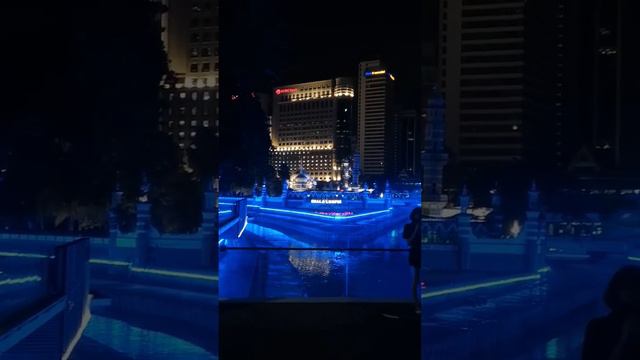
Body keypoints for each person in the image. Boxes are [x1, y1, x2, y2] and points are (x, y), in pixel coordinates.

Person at [582, 265, 640, 360]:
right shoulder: (598, 327)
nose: (634, 294)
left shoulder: (597, 327)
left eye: (637, 288)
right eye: (629, 288)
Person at [403, 207, 422, 313]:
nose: (418, 216)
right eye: (417, 214)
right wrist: (416, 230)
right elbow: (409, 242)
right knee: (415, 280)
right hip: (415, 254)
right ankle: (417, 305)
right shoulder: (408, 227)